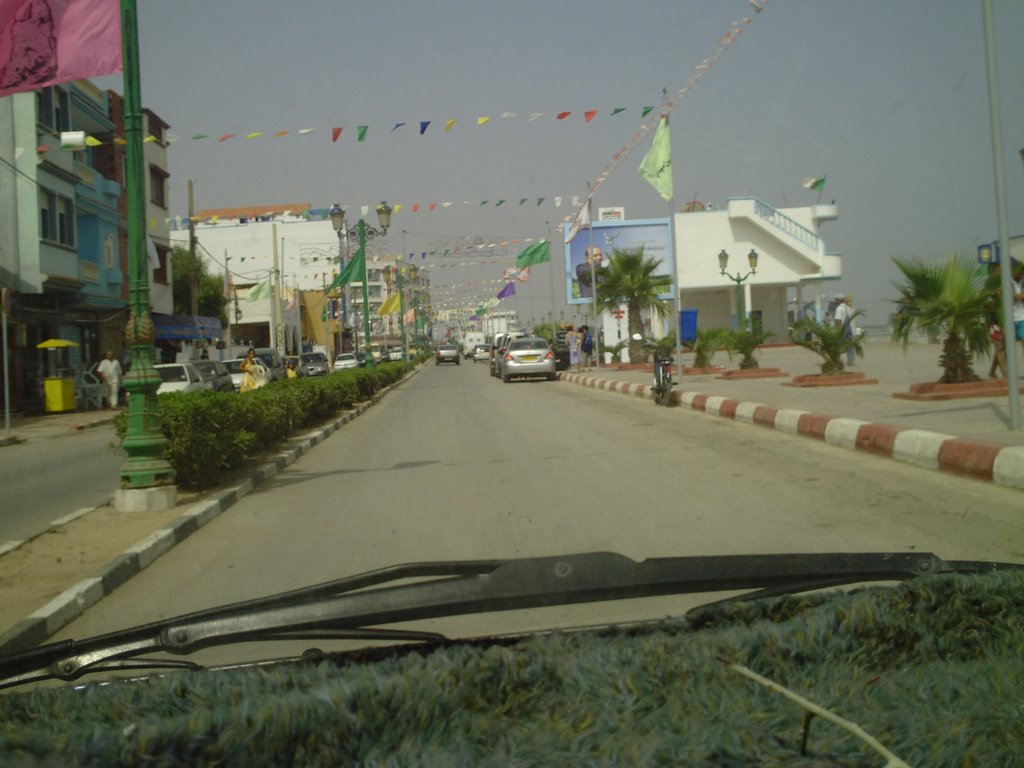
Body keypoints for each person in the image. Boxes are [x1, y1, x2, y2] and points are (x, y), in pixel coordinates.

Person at [833, 293, 856, 367]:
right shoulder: (848, 308)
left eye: (836, 299)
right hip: (850, 329)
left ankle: (837, 360)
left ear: (839, 300)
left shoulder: (839, 308)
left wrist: (837, 331)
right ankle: (851, 360)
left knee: (837, 344)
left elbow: (838, 321)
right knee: (849, 345)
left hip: (843, 328)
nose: (835, 301)